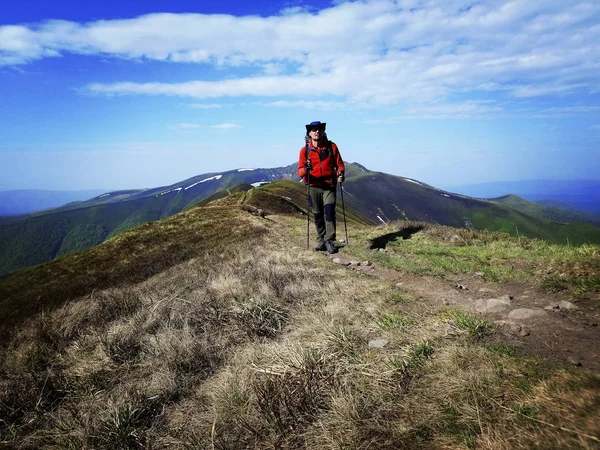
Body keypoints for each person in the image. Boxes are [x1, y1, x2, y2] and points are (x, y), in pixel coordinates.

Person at [297, 121, 345, 254]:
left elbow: (339, 164)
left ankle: (329, 240)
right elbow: (300, 171)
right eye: (314, 130)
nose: (316, 131)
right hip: (313, 185)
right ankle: (321, 241)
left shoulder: (331, 147)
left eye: (319, 129)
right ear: (309, 133)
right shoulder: (304, 151)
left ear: (323, 131)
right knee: (317, 214)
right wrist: (305, 170)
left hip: (329, 185)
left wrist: (340, 173)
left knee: (329, 210)